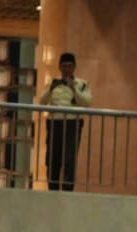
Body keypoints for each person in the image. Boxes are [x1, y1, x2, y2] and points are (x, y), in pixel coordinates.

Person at [42, 53, 91, 191]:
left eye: (69, 66)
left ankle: (68, 190)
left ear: (74, 67)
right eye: (64, 66)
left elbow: (86, 102)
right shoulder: (52, 82)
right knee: (53, 158)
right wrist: (51, 89)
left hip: (72, 123)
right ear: (59, 67)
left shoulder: (82, 84)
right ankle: (53, 188)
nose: (66, 69)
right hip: (54, 123)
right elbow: (42, 101)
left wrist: (73, 88)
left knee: (70, 158)